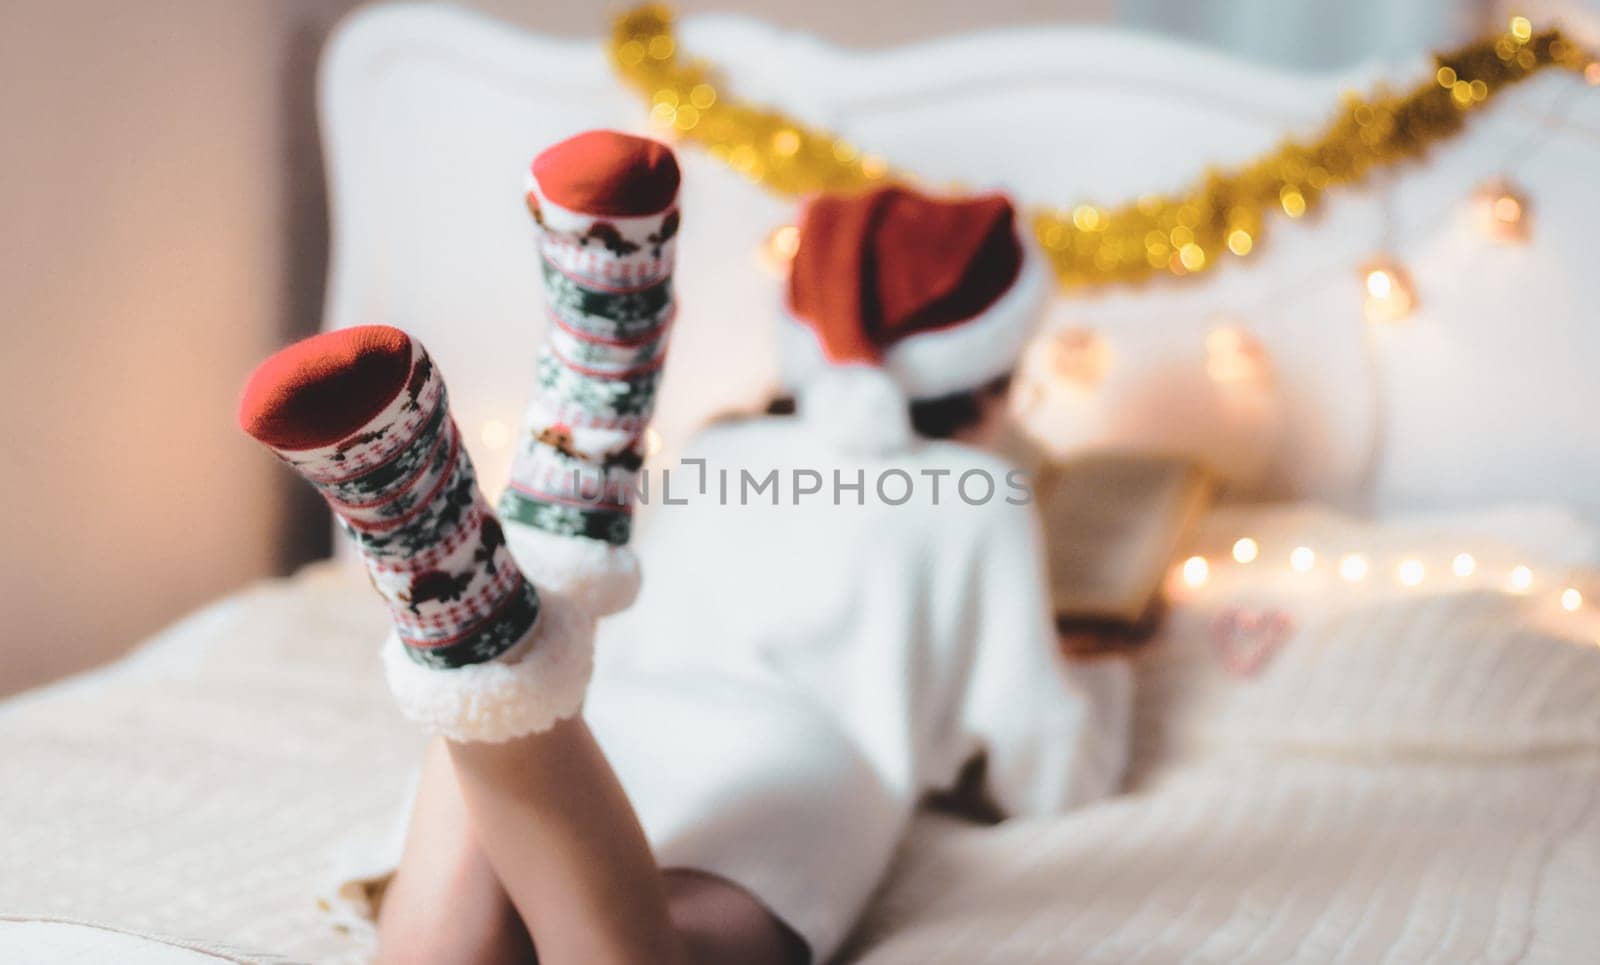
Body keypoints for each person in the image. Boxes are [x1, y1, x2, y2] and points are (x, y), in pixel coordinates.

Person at [237, 132, 1129, 965]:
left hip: (597, 716)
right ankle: (514, 578)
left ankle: (534, 554)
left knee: (468, 888)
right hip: (799, 756)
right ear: (994, 377)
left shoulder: (722, 447)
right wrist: (1114, 682)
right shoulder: (980, 495)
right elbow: (1040, 761)